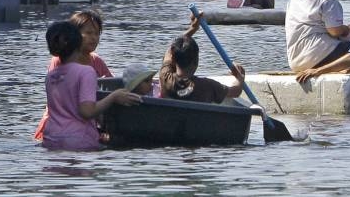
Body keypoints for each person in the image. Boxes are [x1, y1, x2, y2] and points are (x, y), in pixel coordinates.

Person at [38, 21, 140, 150]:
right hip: (78, 140)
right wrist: (114, 97)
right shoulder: (86, 72)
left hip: (50, 139)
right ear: (79, 43)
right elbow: (87, 111)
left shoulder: (51, 76)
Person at [34, 9, 114, 142]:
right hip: (71, 127)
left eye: (97, 33)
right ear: (73, 35)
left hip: (61, 131)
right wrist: (114, 97)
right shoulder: (60, 63)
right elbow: (82, 108)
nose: (94, 38)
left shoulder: (96, 61)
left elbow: (112, 85)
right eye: (89, 33)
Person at [159, 16, 246, 103]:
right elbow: (236, 91)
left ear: (173, 59)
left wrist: (192, 29)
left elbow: (170, 50)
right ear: (196, 62)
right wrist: (240, 78)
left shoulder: (165, 78)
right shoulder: (208, 86)